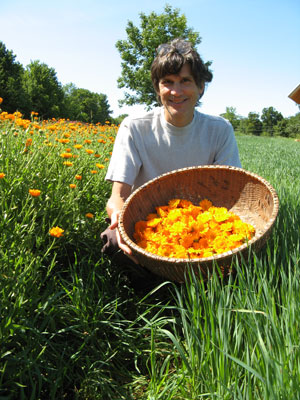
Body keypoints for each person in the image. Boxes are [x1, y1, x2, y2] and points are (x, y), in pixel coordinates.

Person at [101, 38, 241, 264]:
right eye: (168, 82)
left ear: (200, 87)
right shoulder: (135, 127)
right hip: (146, 222)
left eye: (185, 81)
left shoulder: (220, 130)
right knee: (114, 241)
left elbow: (230, 192)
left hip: (200, 225)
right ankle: (150, 286)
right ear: (158, 88)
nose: (176, 91)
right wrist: (117, 217)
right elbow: (118, 196)